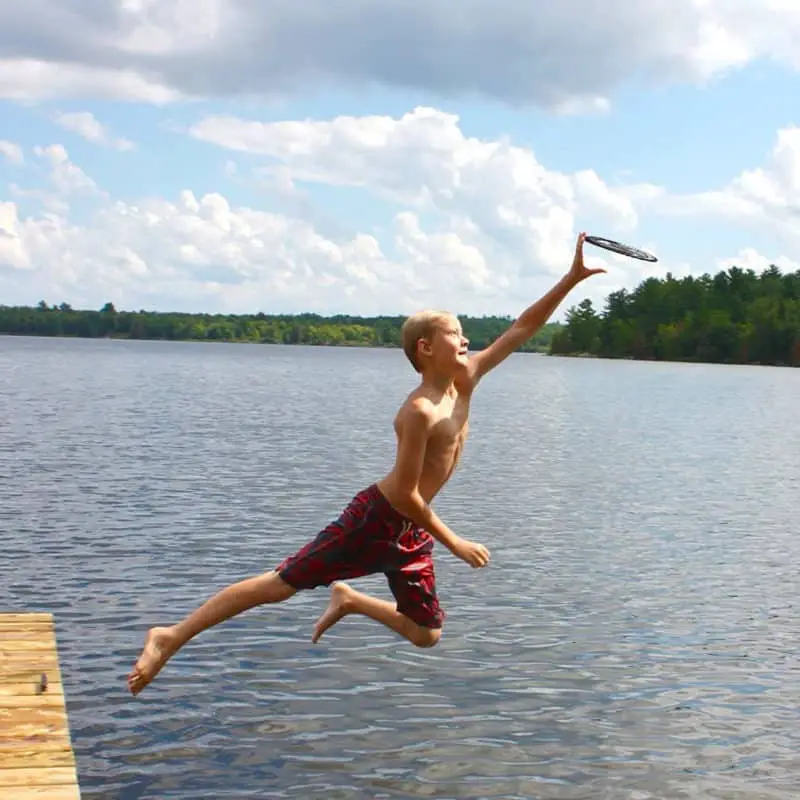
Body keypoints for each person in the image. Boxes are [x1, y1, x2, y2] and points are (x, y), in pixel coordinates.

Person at [127, 232, 604, 695]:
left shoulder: (466, 379)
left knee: (426, 633)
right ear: (425, 348)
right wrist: (455, 542)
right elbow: (405, 494)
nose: (466, 339)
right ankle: (171, 636)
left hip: (410, 529)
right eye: (454, 333)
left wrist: (571, 279)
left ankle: (350, 599)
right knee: (280, 585)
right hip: (376, 518)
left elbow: (522, 328)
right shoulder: (417, 412)